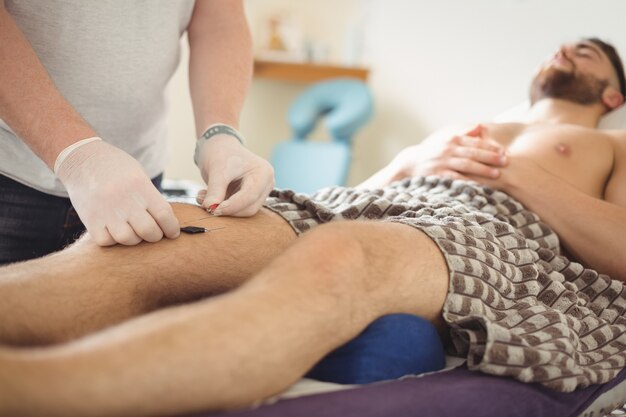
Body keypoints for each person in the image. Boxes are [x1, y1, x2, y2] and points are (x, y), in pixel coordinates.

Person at [1, 37, 626, 417]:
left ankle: (28, 392)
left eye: (588, 52)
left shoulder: (608, 144)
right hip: (377, 202)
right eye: (563, 45)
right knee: (169, 235)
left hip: (499, 233)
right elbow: (367, 195)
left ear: (612, 97)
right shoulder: (471, 123)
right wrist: (408, 162)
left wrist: (520, 177)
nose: (566, 50)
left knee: (344, 258)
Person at [0, 0, 274, 265]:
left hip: (140, 185)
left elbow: (220, 20)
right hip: (10, 178)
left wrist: (220, 132)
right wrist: (77, 155)